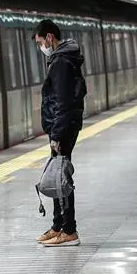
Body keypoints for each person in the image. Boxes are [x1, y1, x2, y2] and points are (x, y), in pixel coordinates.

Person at [32, 19, 86, 247]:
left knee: (61, 177)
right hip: (63, 126)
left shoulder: (62, 62)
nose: (40, 47)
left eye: (40, 42)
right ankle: (58, 226)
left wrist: (56, 134)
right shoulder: (62, 59)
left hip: (63, 127)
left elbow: (63, 102)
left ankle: (69, 230)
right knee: (57, 175)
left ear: (49, 37)